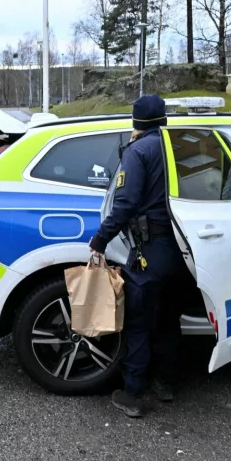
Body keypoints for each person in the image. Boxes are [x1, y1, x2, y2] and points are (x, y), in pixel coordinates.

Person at [88, 94, 184, 419]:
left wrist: (100, 240)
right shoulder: (179, 147)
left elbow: (125, 203)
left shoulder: (138, 151)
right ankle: (167, 384)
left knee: (138, 322)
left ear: (136, 122)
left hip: (149, 250)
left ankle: (132, 394)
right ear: (164, 119)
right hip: (184, 252)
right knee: (170, 319)